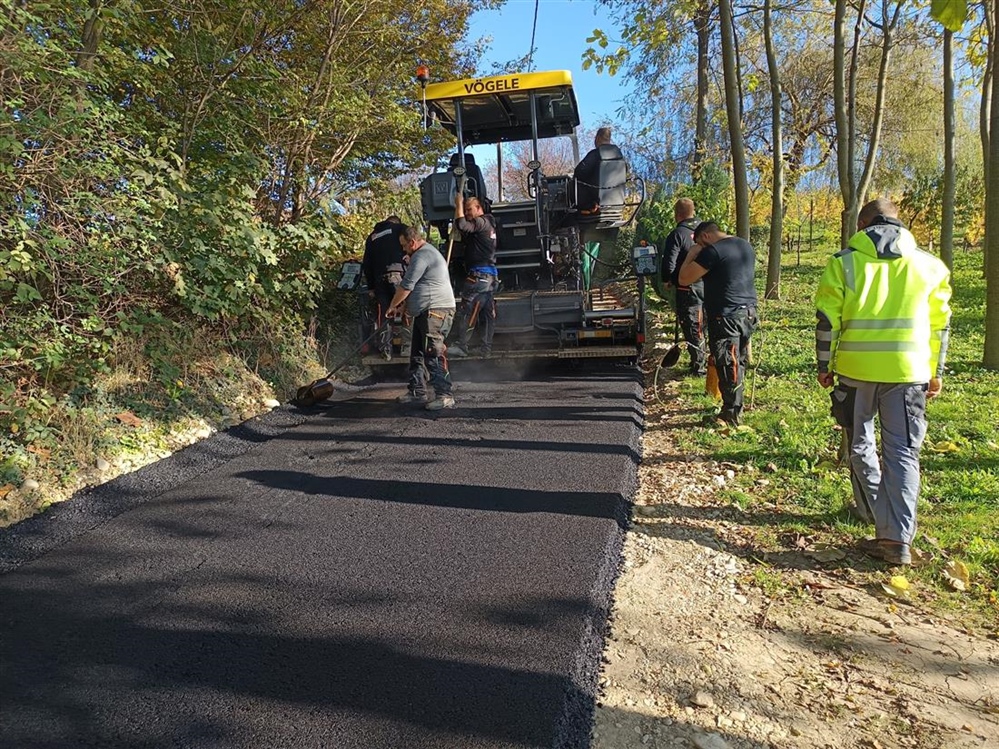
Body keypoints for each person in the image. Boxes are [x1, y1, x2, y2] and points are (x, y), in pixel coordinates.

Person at [815, 198, 952, 566]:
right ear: (899, 222)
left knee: (859, 443)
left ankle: (879, 515)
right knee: (903, 452)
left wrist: (824, 365)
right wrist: (935, 370)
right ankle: (896, 538)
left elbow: (828, 321)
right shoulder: (930, 266)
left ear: (863, 225)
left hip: (856, 371)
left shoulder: (844, 264)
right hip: (909, 374)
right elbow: (940, 325)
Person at [678, 221, 758, 427]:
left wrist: (692, 253)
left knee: (727, 364)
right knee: (737, 362)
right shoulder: (744, 245)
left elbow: (684, 278)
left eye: (699, 243)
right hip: (748, 313)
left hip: (726, 316)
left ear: (705, 236)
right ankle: (734, 407)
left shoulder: (711, 251)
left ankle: (731, 414)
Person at [387, 225, 457, 410]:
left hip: (436, 312)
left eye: (404, 245)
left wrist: (392, 305)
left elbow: (406, 286)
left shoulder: (422, 255)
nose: (404, 249)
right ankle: (417, 391)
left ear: (412, 242)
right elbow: (418, 287)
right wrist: (404, 308)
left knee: (433, 353)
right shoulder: (422, 255)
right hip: (425, 312)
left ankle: (444, 395)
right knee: (417, 354)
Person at [573, 127, 627, 285]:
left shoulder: (595, 154)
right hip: (614, 212)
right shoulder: (620, 156)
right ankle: (600, 280)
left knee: (583, 249)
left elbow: (579, 173)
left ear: (597, 138)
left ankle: (584, 280)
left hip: (591, 213)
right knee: (606, 249)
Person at [448, 195, 498, 358]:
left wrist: (458, 205)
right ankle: (486, 348)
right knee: (487, 313)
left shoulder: (481, 222)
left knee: (467, 309)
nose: (468, 213)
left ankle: (462, 346)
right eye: (466, 210)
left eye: (470, 209)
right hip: (489, 276)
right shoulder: (489, 224)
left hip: (479, 276)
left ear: (479, 208)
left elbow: (462, 225)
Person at [661, 198, 706, 375]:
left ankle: (699, 367)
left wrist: (668, 280)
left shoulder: (678, 234)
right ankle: (702, 360)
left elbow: (669, 262)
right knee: (704, 325)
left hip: (688, 288)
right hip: (709, 286)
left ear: (677, 215)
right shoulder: (708, 231)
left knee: (692, 326)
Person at [361, 215, 409, 360]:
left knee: (384, 313)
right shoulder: (400, 229)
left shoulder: (372, 236)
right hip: (397, 275)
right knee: (405, 308)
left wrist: (371, 287)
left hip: (379, 280)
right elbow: (413, 244)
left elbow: (367, 264)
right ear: (396, 222)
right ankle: (408, 346)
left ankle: (385, 349)